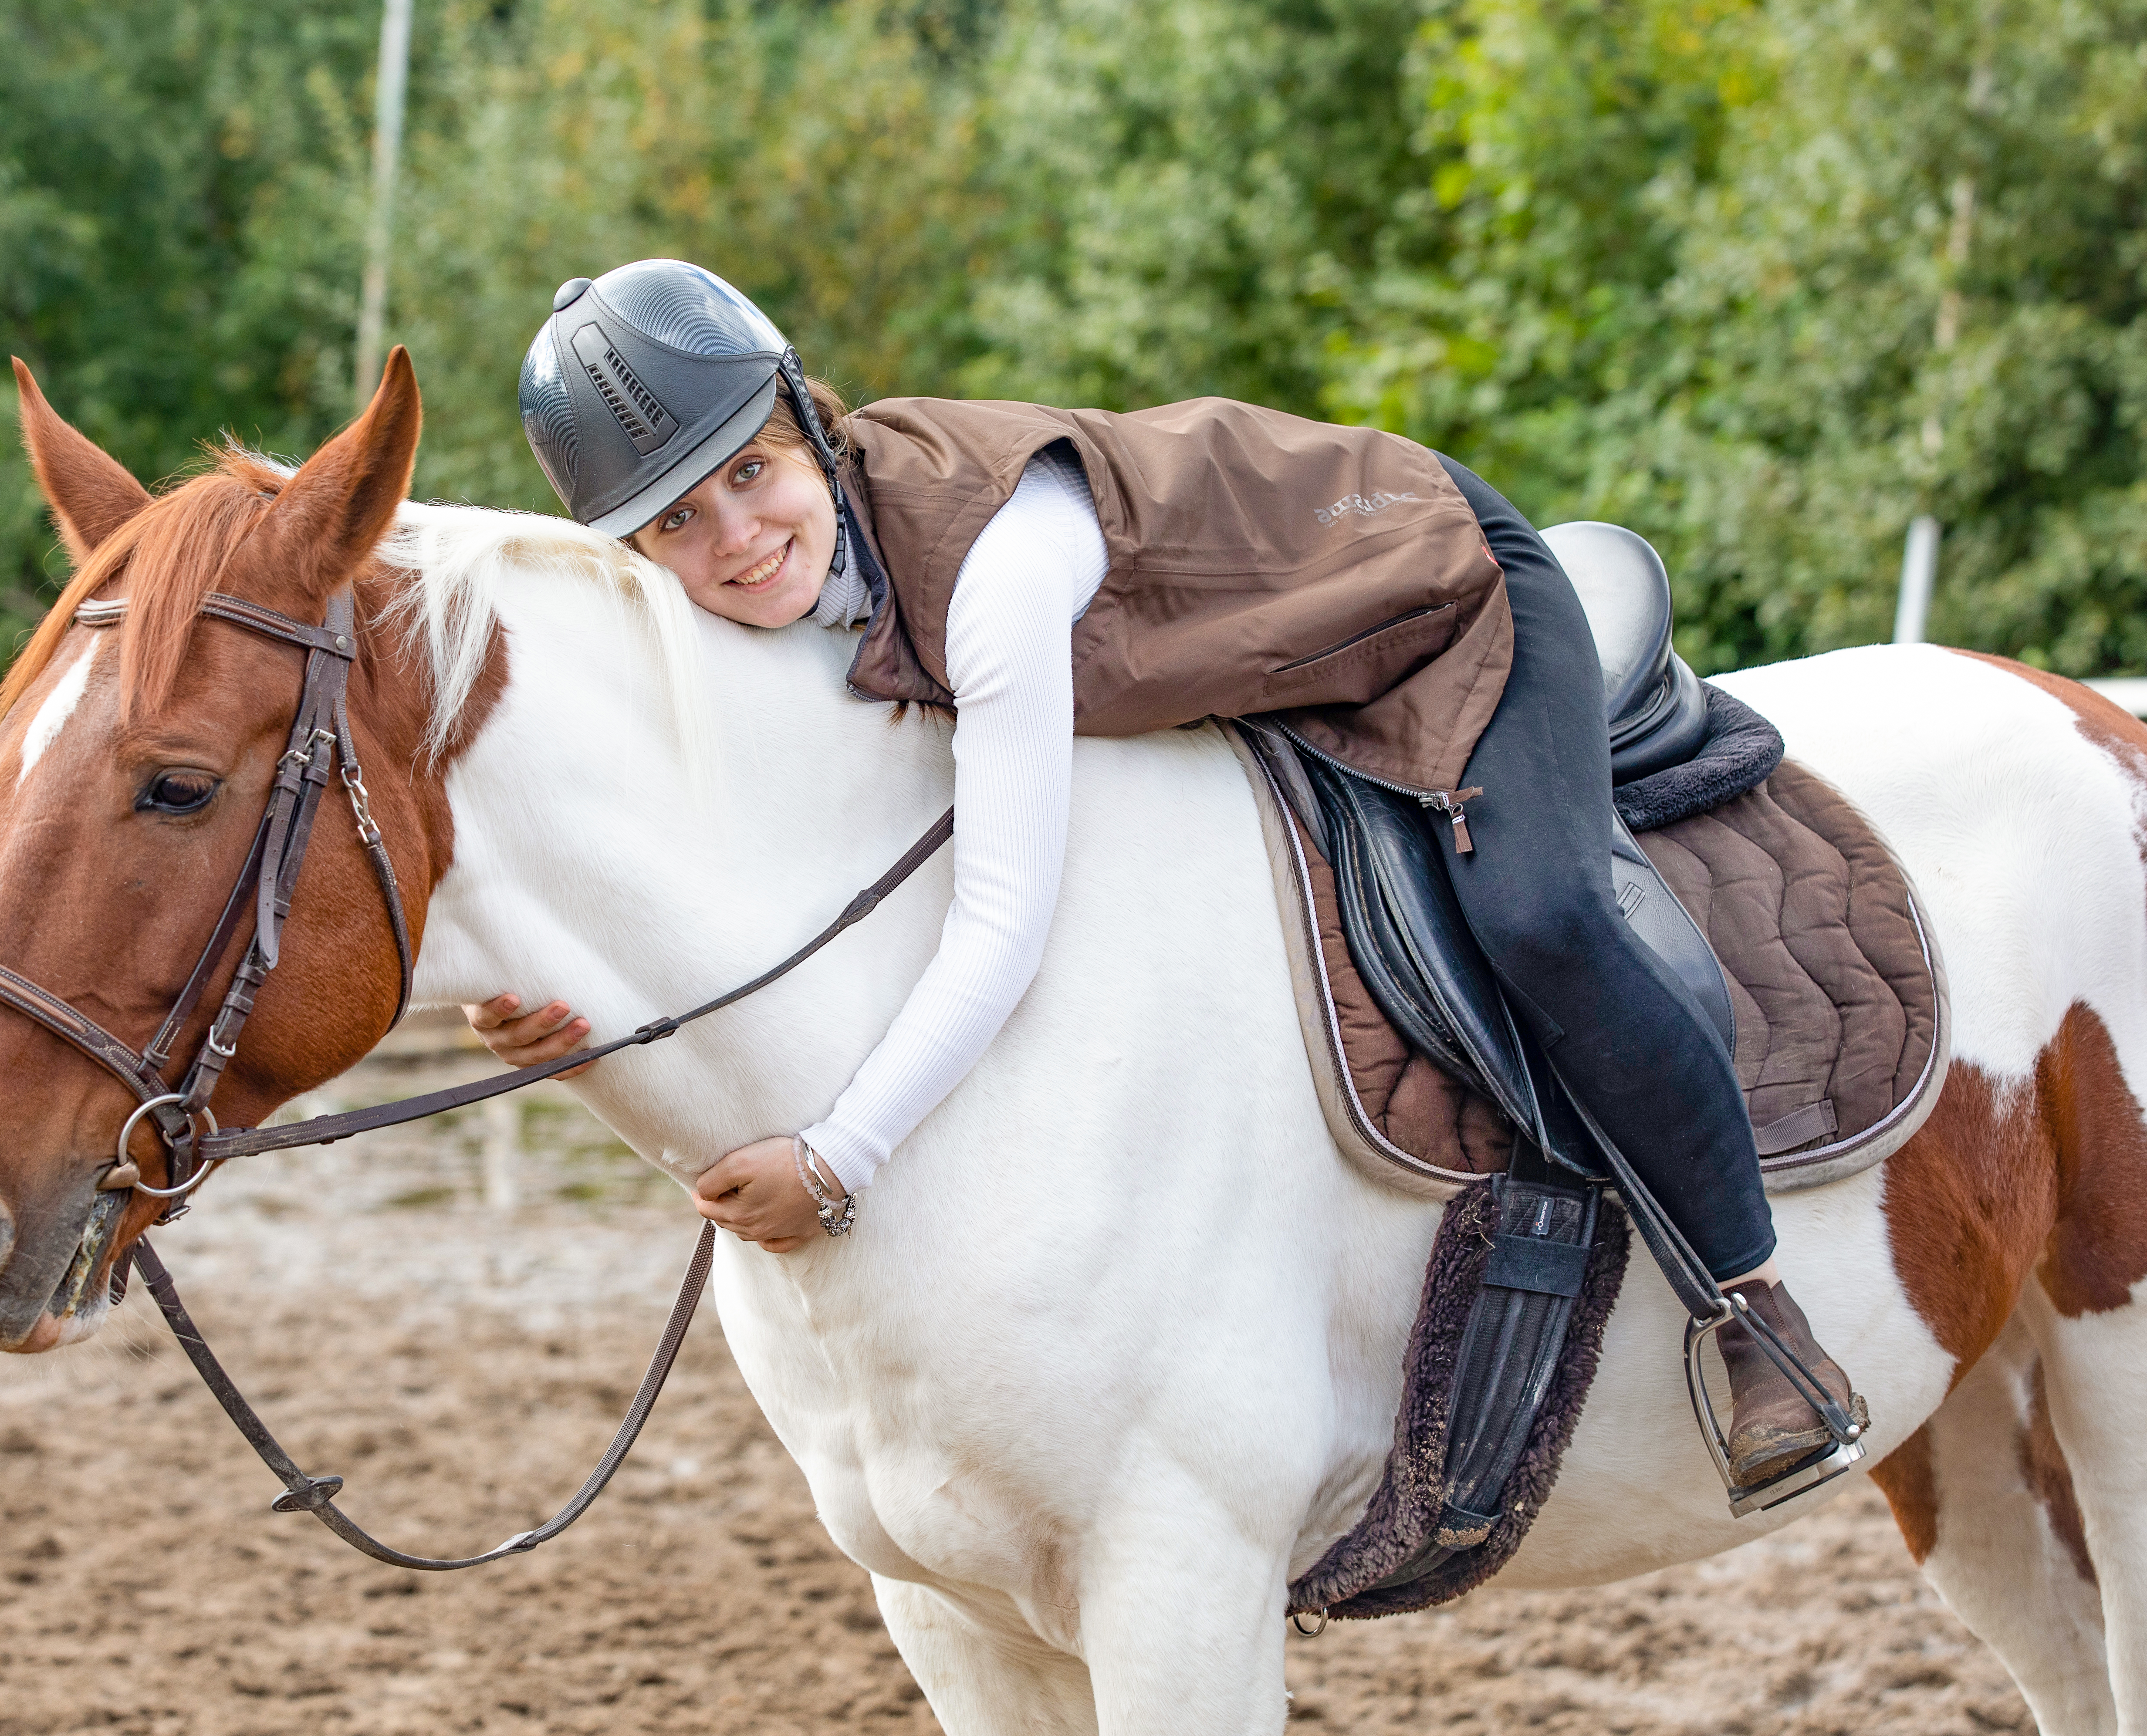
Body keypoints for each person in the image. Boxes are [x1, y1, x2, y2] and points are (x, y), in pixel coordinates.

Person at [470, 259, 1864, 1492]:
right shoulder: (770, 590)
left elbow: (1003, 919)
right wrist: (569, 1027)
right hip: (1268, 652)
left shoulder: (993, 572)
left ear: (807, 423)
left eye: (749, 474)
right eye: (676, 524)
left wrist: (838, 1165)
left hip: (1438, 590)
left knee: (1541, 912)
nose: (733, 540)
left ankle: (1755, 1310)